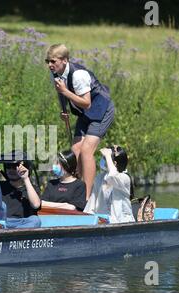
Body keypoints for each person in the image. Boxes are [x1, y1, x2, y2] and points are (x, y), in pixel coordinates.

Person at [46, 44, 115, 200]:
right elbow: (60, 92)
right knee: (75, 151)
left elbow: (86, 103)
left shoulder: (79, 75)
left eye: (53, 61)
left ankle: (87, 198)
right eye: (47, 61)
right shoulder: (55, 73)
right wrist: (64, 110)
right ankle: (75, 191)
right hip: (85, 113)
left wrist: (65, 91)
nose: (50, 65)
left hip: (101, 110)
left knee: (86, 151)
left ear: (64, 60)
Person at [84, 145, 135, 223]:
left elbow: (112, 177)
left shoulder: (124, 178)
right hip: (102, 221)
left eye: (105, 159)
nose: (103, 160)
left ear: (114, 163)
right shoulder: (99, 178)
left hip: (121, 221)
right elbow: (92, 203)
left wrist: (108, 155)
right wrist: (85, 218)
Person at [0, 150, 42, 228]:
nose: (11, 170)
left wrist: (26, 179)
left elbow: (36, 205)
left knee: (35, 220)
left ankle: (14, 233)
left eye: (15, 167)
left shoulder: (31, 188)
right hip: (3, 223)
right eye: (8, 167)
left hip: (23, 223)